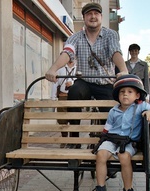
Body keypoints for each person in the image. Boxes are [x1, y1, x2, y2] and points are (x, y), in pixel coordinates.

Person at [45, 2, 128, 149]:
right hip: (85, 81)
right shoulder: (75, 37)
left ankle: (107, 144)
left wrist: (123, 69)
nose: (93, 16)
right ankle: (75, 140)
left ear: (101, 17)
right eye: (89, 14)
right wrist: (53, 68)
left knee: (110, 110)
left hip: (105, 81)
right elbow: (67, 53)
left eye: (96, 14)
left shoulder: (111, 35)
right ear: (84, 17)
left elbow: (115, 52)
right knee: (75, 92)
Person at [91, 74, 150, 191]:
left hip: (129, 142)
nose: (125, 95)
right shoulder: (114, 110)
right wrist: (101, 140)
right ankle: (101, 190)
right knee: (100, 155)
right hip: (111, 140)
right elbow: (107, 128)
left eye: (130, 92)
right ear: (118, 95)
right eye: (122, 92)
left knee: (124, 157)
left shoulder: (141, 106)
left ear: (137, 95)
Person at [51, 60, 76, 148]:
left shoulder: (77, 69)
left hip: (74, 97)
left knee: (74, 118)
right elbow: (55, 83)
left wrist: (72, 83)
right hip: (62, 95)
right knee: (62, 119)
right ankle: (64, 138)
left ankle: (73, 141)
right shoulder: (60, 69)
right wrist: (53, 98)